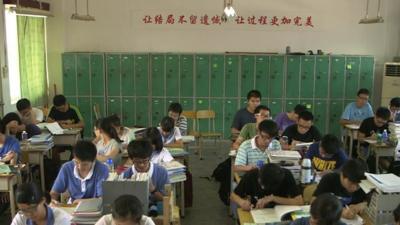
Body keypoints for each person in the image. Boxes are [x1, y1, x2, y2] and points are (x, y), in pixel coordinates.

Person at [231, 163, 303, 211]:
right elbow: (233, 196)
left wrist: (273, 198)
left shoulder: (286, 175)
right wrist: (242, 202)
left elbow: (299, 202)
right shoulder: (252, 175)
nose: (262, 187)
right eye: (260, 183)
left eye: (265, 186)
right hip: (255, 211)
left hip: (279, 212)